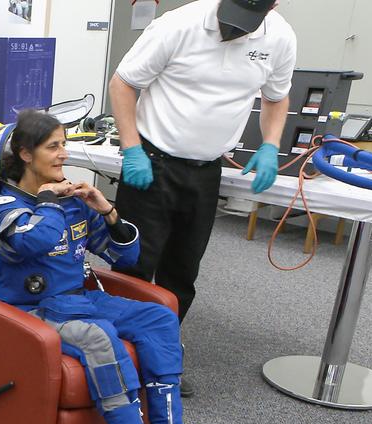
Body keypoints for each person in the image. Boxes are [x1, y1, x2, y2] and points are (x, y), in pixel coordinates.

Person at [0, 110, 231, 424]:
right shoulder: (1, 207)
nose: (63, 155)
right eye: (53, 147)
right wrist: (48, 197)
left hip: (81, 299)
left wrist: (106, 210)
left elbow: (124, 256)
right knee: (100, 338)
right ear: (25, 154)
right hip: (34, 310)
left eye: (64, 144)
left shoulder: (72, 202)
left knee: (160, 315)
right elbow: (35, 242)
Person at [108, 0, 297, 393]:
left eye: (244, 25)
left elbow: (276, 98)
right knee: (135, 267)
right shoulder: (177, 25)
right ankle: (118, 360)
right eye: (229, 19)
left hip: (207, 169)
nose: (232, 31)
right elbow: (123, 83)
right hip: (152, 162)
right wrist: (131, 149)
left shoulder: (279, 37)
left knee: (182, 273)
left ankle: (158, 359)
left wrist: (271, 145)